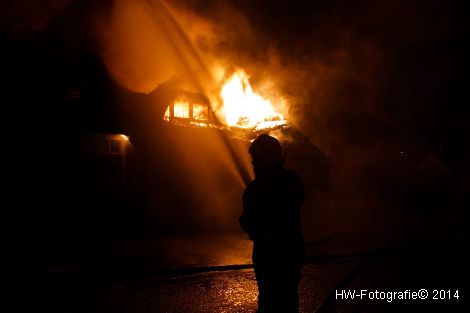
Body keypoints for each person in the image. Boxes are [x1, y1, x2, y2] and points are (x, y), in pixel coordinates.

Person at [240, 134, 305, 313]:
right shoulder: (293, 180)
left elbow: (247, 223)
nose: (253, 165)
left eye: (254, 161)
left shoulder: (254, 190)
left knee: (268, 300)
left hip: (267, 257)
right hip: (292, 253)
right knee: (290, 300)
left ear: (262, 160)